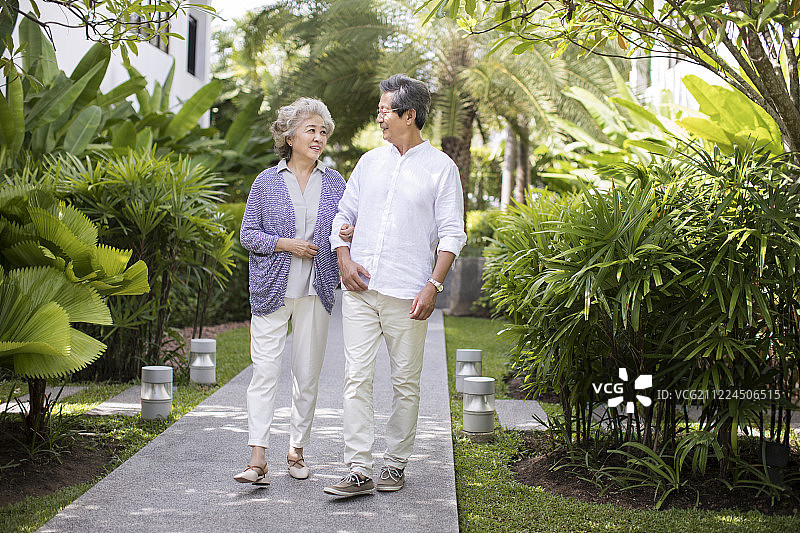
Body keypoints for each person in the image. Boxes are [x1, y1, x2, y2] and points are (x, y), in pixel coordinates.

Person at [323, 74, 467, 497]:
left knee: (405, 383)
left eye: (387, 110)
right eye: (381, 109)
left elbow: (452, 234)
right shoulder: (370, 162)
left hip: (409, 295)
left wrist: (433, 286)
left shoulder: (441, 168)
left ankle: (395, 463)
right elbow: (342, 215)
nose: (380, 116)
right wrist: (343, 258)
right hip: (361, 291)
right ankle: (358, 469)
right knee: (356, 378)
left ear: (410, 115)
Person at [236, 97, 345, 486]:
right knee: (264, 371)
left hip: (317, 290)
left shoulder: (335, 183)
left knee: (307, 376)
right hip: (272, 290)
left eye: (323, 131)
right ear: (290, 135)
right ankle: (257, 457)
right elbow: (248, 234)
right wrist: (287, 244)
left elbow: (347, 228)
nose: (318, 137)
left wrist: (347, 233)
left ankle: (296, 450)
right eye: (311, 130)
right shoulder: (266, 182)